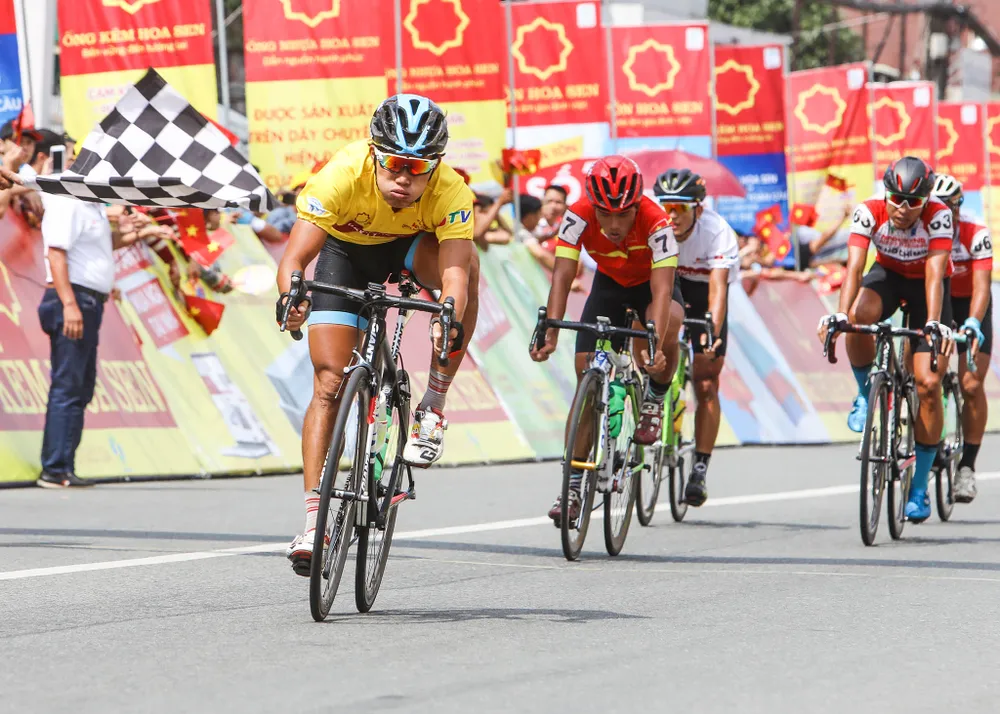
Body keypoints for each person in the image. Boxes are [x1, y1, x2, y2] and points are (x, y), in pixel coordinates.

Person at [276, 94, 479, 575]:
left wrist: (446, 313)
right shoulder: (340, 174)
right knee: (329, 383)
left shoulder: (451, 191)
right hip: (346, 254)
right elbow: (294, 260)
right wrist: (292, 298)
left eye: (418, 167)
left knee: (470, 266)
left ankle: (433, 404)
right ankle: (315, 524)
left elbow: (454, 276)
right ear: (374, 153)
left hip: (412, 251)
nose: (404, 178)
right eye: (394, 164)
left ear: (436, 165)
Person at [530, 155, 682, 523]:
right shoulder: (578, 214)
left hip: (650, 286)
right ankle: (572, 486)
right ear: (592, 206)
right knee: (586, 375)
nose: (614, 225)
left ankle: (655, 397)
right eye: (605, 214)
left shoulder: (657, 221)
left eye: (623, 215)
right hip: (609, 286)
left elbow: (662, 293)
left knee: (667, 326)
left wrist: (655, 345)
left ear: (636, 206)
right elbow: (562, 275)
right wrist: (551, 329)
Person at [817, 157, 953, 523]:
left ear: (926, 201)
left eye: (913, 202)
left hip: (926, 287)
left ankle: (919, 487)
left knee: (928, 384)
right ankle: (866, 394)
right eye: (896, 199)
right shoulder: (869, 210)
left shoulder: (939, 215)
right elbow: (854, 267)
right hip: (888, 276)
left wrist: (934, 322)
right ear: (886, 193)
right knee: (856, 318)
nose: (903, 208)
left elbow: (935, 272)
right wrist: (840, 315)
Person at [38, 192, 139, 487]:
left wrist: (133, 234)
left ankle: (64, 465)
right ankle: (55, 468)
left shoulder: (93, 207)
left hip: (89, 300)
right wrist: (69, 304)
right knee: (68, 384)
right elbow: (56, 252)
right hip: (73, 298)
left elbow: (99, 247)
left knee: (81, 386)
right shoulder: (68, 203)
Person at [653, 169, 740, 506]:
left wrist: (712, 332)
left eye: (680, 208)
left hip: (705, 293)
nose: (672, 216)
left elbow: (718, 289)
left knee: (705, 381)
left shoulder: (718, 232)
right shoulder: (655, 227)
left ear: (698, 209)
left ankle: (700, 467)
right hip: (669, 285)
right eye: (667, 207)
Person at [932, 174, 992, 502]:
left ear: (958, 208)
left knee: (970, 384)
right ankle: (928, 436)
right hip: (940, 301)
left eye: (949, 208)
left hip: (971, 302)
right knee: (928, 374)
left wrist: (972, 322)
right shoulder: (923, 230)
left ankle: (967, 466)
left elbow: (982, 286)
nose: (943, 215)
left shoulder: (974, 230)